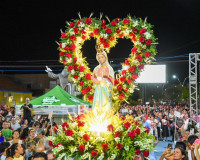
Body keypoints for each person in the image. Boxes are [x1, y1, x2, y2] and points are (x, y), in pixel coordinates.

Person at [92, 45, 114, 109]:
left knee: (106, 104)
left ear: (105, 57)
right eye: (99, 58)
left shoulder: (109, 68)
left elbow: (113, 80)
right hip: (98, 89)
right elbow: (93, 78)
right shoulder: (96, 68)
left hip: (106, 89)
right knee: (98, 104)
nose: (101, 59)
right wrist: (98, 81)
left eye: (102, 57)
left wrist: (107, 76)